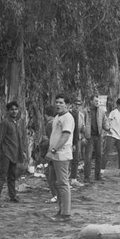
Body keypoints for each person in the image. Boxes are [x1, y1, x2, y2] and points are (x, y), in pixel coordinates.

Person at [46, 94, 75, 222]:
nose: (58, 104)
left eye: (61, 102)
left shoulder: (68, 118)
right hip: (54, 155)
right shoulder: (57, 117)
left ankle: (66, 213)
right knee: (54, 181)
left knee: (63, 183)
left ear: (67, 105)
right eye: (56, 102)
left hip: (62, 155)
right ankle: (61, 209)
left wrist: (53, 150)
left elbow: (65, 136)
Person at [0, 101, 26, 206]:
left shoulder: (16, 123)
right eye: (12, 109)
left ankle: (12, 196)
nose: (14, 111)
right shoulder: (5, 123)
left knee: (12, 176)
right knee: (1, 176)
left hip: (14, 154)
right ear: (8, 111)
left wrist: (22, 152)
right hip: (5, 154)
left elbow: (18, 140)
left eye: (16, 109)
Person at [82, 94, 109, 182]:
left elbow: (104, 121)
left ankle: (97, 175)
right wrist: (83, 136)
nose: (97, 103)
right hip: (89, 137)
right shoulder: (85, 111)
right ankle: (87, 177)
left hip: (99, 136)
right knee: (88, 157)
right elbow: (82, 125)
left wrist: (108, 128)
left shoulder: (101, 111)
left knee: (99, 155)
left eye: (98, 101)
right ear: (91, 101)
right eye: (96, 101)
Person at [102, 98, 120, 176]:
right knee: (106, 152)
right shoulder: (113, 112)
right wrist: (108, 130)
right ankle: (102, 169)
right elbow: (108, 121)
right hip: (111, 135)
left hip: (119, 136)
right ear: (118, 105)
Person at [40, 105, 57, 203]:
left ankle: (55, 195)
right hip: (56, 152)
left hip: (52, 151)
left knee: (50, 175)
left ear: (46, 115)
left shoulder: (50, 124)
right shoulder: (56, 122)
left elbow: (51, 139)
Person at [69, 98, 85, 187]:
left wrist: (83, 135)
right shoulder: (69, 114)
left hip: (77, 138)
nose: (77, 106)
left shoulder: (81, 115)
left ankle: (73, 178)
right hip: (69, 138)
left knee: (76, 159)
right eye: (76, 104)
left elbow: (82, 127)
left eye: (79, 105)